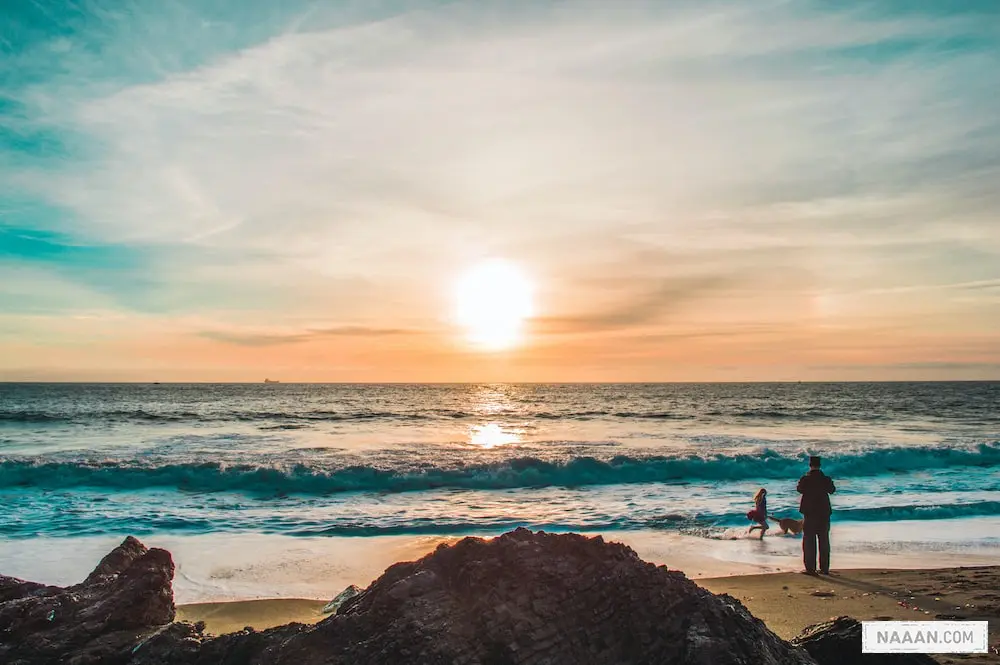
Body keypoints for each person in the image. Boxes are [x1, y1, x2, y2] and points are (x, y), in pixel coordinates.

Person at [797, 456, 836, 575]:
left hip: (810, 513)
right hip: (824, 513)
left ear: (810, 465)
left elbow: (799, 489)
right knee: (824, 540)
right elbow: (832, 490)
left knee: (809, 540)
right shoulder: (825, 479)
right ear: (820, 465)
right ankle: (824, 568)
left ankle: (810, 568)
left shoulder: (806, 479)